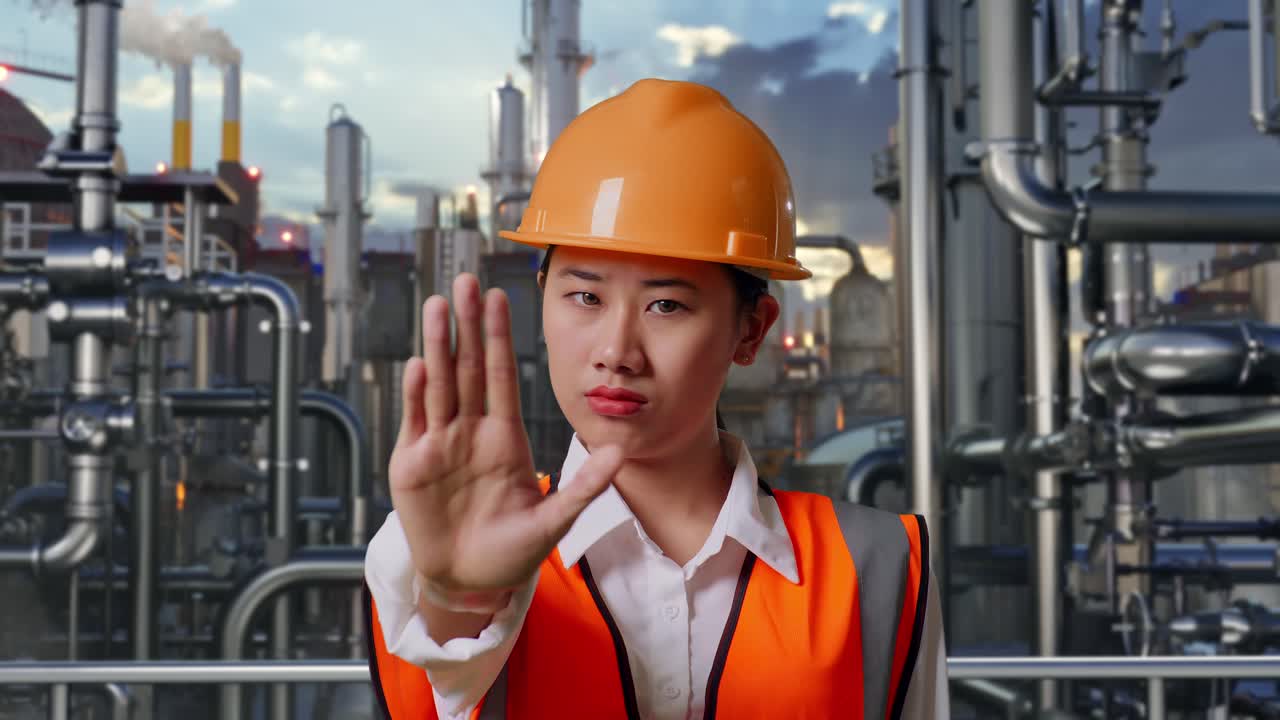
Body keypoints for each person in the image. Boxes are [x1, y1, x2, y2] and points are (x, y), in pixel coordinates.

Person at [363, 78, 949, 719]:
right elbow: (440, 675)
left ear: (750, 330)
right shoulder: (441, 544)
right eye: (585, 296)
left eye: (666, 304)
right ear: (542, 298)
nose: (617, 350)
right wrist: (459, 599)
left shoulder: (879, 567)